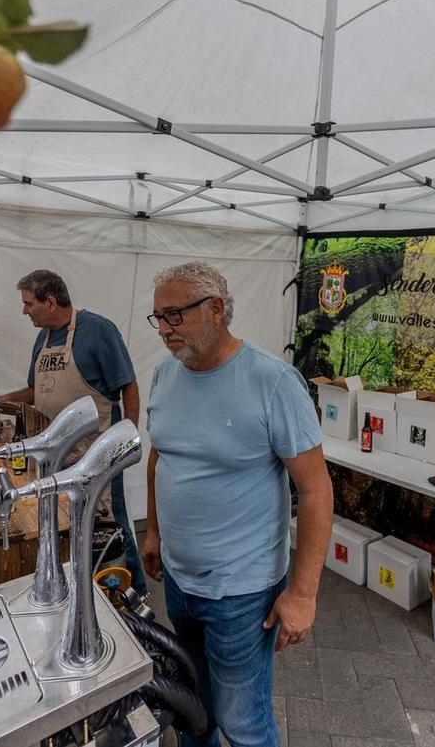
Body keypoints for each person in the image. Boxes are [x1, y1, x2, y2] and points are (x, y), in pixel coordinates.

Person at [143, 261, 333, 747]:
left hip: (242, 593)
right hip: (180, 581)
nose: (164, 330)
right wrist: (154, 532)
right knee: (192, 708)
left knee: (242, 721)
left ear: (216, 310)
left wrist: (304, 593)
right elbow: (159, 456)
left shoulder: (273, 382)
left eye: (174, 316)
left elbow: (315, 490)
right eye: (158, 318)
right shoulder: (166, 375)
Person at [0, 269, 146, 597]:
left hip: (96, 449)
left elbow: (128, 385)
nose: (24, 311)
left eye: (28, 304)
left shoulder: (98, 330)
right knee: (69, 523)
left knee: (109, 525)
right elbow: (36, 393)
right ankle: (85, 590)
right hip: (56, 452)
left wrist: (126, 436)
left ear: (50, 302)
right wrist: (0, 401)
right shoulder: (44, 338)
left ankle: (133, 593)